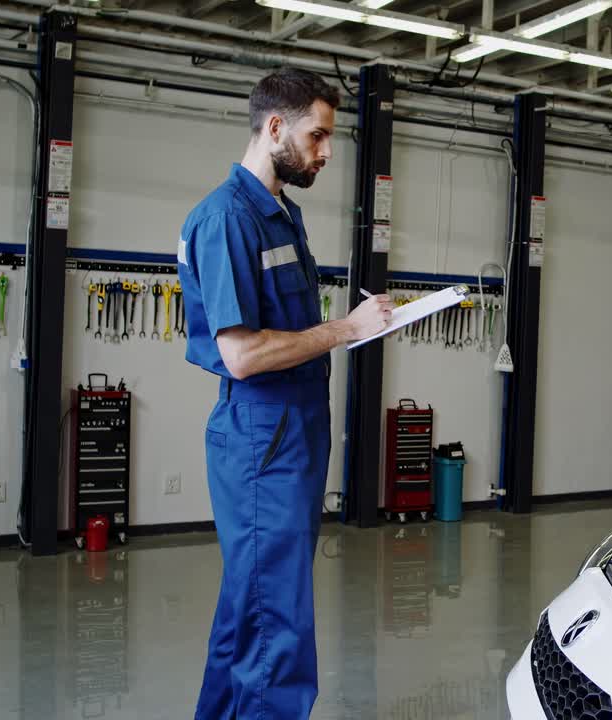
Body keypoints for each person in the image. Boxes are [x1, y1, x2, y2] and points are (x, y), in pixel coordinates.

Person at [177, 68, 394, 719]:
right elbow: (241, 355)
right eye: (317, 136)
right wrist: (344, 330)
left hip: (291, 434)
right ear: (275, 128)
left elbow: (288, 331)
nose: (326, 152)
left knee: (248, 610)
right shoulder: (225, 219)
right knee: (278, 626)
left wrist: (349, 329)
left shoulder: (279, 216)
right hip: (261, 440)